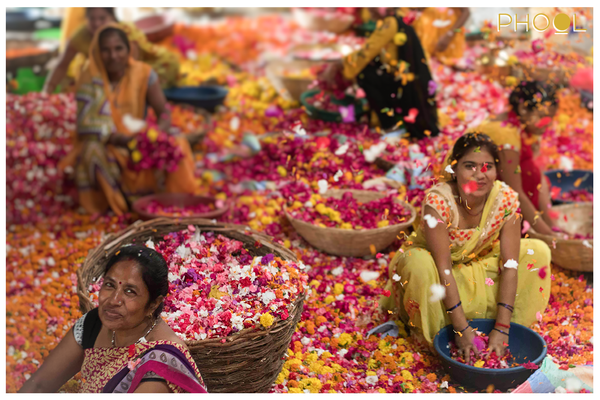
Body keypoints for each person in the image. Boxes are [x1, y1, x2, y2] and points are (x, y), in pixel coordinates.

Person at [380, 133, 551, 360]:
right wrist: (461, 329)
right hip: (437, 278)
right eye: (470, 166)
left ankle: (502, 327)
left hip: (475, 267)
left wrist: (502, 328)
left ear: (496, 170)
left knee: (538, 251)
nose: (479, 175)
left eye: (487, 166)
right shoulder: (438, 203)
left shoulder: (505, 200)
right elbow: (444, 269)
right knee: (417, 264)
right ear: (455, 168)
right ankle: (442, 333)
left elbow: (510, 266)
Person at [19, 245, 208, 393]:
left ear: (152, 304)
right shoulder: (95, 323)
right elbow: (39, 386)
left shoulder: (162, 360)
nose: (114, 300)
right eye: (109, 285)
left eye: (129, 291)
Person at [57, 24, 198, 216]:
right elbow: (87, 127)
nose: (113, 55)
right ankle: (115, 204)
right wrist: (120, 140)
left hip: (139, 140)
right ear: (98, 52)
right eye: (106, 50)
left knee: (177, 142)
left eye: (118, 48)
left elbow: (163, 112)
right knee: (91, 149)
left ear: (128, 50)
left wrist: (158, 134)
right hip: (110, 143)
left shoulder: (144, 74)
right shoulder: (89, 79)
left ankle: (167, 199)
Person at [319, 8, 440, 139]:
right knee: (370, 67)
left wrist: (339, 64)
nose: (369, 10)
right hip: (407, 80)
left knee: (365, 74)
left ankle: (390, 125)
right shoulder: (397, 16)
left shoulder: (389, 23)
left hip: (406, 87)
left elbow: (368, 51)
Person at [468, 80, 559, 236]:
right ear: (523, 108)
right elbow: (515, 193)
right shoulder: (506, 135)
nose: (547, 123)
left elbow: (537, 177)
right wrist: (551, 237)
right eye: (543, 116)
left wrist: (551, 225)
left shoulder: (521, 126)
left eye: (550, 117)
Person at [43, 7, 179, 93]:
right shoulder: (81, 36)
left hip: (134, 71)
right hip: (102, 73)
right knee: (74, 83)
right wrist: (47, 91)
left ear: (112, 17)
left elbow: (130, 67)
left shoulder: (124, 32)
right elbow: (62, 65)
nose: (96, 23)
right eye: (92, 19)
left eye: (102, 18)